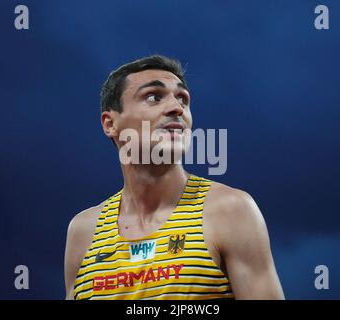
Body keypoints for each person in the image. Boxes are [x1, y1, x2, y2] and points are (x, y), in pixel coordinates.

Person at [64, 55, 284, 300]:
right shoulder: (84, 231)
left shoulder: (230, 211)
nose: (177, 108)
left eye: (183, 99)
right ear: (110, 123)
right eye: (153, 97)